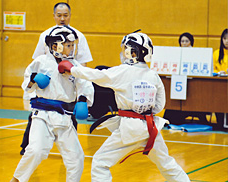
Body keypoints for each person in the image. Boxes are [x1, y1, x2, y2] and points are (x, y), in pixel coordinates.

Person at [58, 31, 190, 182]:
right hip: (151, 127)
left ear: (132, 52)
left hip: (130, 129)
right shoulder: (153, 75)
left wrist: (71, 69)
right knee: (167, 164)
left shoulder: (121, 72)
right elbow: (159, 106)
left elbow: (95, 75)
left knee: (100, 163)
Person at [10, 26, 94, 182]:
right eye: (68, 45)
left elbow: (85, 84)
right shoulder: (41, 62)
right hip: (42, 115)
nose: (72, 48)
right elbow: (27, 84)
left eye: (72, 45)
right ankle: (16, 180)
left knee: (76, 158)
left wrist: (83, 100)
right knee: (35, 151)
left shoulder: (74, 65)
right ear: (56, 46)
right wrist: (34, 79)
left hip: (64, 118)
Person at [20, 2, 93, 155]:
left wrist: (80, 84)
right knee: (36, 115)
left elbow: (83, 62)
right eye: (59, 15)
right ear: (53, 16)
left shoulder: (78, 36)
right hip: (47, 84)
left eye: (65, 15)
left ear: (70, 16)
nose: (62, 18)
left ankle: (67, 150)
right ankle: (26, 147)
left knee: (70, 116)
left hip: (69, 82)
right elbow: (37, 61)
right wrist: (36, 82)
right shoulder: (45, 35)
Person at [164, 32, 209, 125]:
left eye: (186, 41)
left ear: (191, 42)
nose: (184, 43)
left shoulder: (196, 53)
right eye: (182, 41)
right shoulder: (176, 53)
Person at [213, 28, 228, 129]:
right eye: (225, 38)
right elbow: (212, 69)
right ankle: (220, 124)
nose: (227, 41)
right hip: (219, 84)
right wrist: (218, 73)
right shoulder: (216, 53)